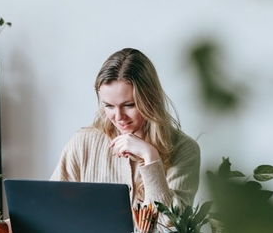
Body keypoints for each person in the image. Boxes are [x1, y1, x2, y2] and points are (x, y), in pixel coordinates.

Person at [51, 48, 200, 212]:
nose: (118, 116)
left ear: (151, 99)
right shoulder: (82, 143)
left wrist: (151, 158)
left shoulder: (184, 149)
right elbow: (52, 206)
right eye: (108, 106)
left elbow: (173, 227)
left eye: (129, 105)